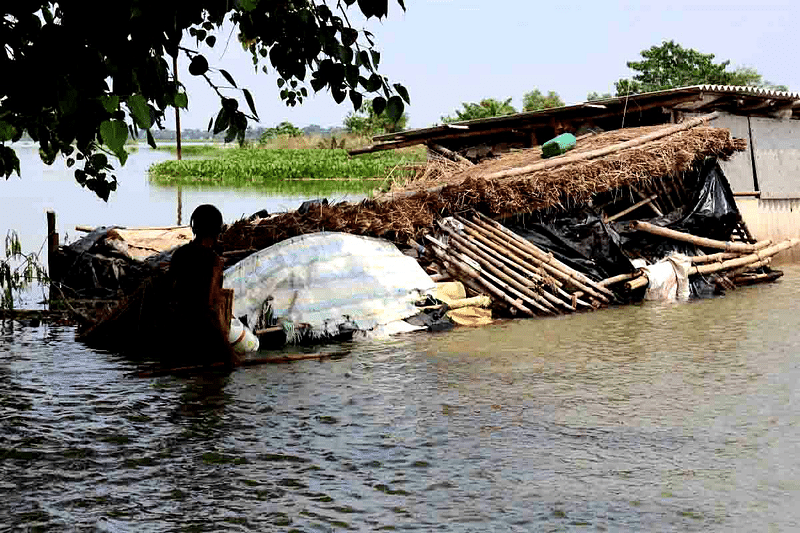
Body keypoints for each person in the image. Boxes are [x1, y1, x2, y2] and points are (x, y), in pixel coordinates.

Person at [168, 204, 240, 369]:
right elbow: (207, 308)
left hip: (176, 334)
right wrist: (229, 354)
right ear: (216, 231)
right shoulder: (213, 261)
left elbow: (170, 294)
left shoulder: (179, 255)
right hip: (202, 338)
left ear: (195, 228)